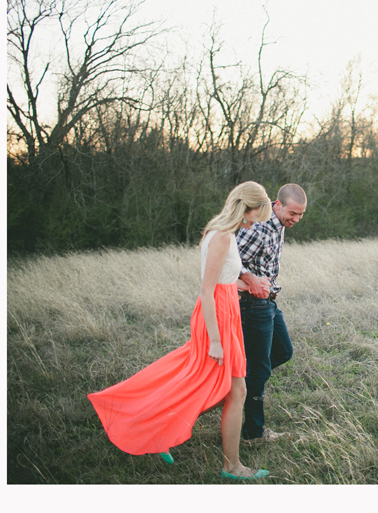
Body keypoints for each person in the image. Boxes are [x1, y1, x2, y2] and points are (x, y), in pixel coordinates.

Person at [88, 182, 273, 480]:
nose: (255, 221)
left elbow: (223, 281)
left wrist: (248, 284)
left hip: (226, 309)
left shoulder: (223, 232)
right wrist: (215, 339)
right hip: (218, 316)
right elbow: (206, 291)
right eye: (256, 214)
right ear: (245, 207)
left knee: (201, 382)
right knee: (235, 390)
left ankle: (160, 432)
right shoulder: (223, 236)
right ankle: (232, 467)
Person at [237, 183, 307, 443]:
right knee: (259, 369)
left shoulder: (278, 226)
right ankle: (254, 432)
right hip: (253, 306)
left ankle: (239, 387)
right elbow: (228, 259)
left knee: (283, 351)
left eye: (301, 214)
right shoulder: (260, 227)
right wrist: (249, 278)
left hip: (269, 303)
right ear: (277, 205)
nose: (296, 219)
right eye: (293, 213)